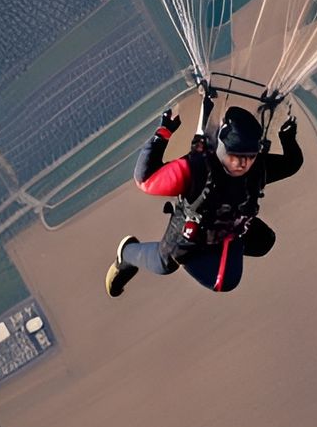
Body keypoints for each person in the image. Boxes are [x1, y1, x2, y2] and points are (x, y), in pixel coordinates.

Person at [105, 101, 302, 296]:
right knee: (166, 264)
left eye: (250, 156)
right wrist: (163, 132)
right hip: (193, 231)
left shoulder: (256, 169)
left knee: (263, 242)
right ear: (223, 147)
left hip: (228, 224)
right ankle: (126, 254)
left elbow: (292, 163)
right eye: (236, 155)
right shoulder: (196, 169)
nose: (243, 163)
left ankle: (216, 247)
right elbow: (145, 179)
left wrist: (287, 134)